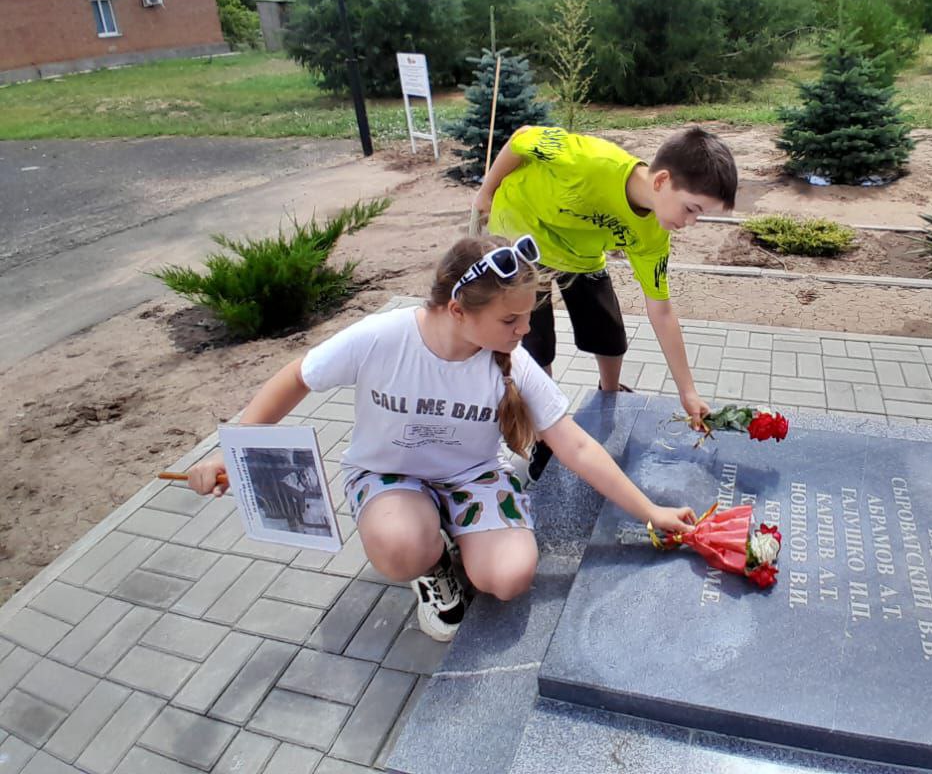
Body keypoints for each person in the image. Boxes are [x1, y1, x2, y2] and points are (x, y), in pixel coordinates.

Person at [186, 234, 695, 641]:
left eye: (528, 316)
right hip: (389, 475)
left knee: (509, 578)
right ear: (458, 310)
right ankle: (431, 563)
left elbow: (576, 445)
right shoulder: (382, 337)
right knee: (399, 545)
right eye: (511, 319)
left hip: (471, 476)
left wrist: (651, 511)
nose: (525, 330)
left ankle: (459, 527)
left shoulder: (511, 361)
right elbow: (298, 376)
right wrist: (233, 448)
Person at [474, 124, 738, 479]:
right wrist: (485, 193)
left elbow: (660, 310)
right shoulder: (588, 162)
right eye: (691, 209)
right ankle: (547, 435)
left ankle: (608, 398)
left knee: (609, 333)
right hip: (522, 235)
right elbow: (522, 136)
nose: (690, 222)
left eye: (699, 215)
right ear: (661, 181)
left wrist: (687, 392)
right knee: (537, 344)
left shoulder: (654, 233)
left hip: (580, 254)